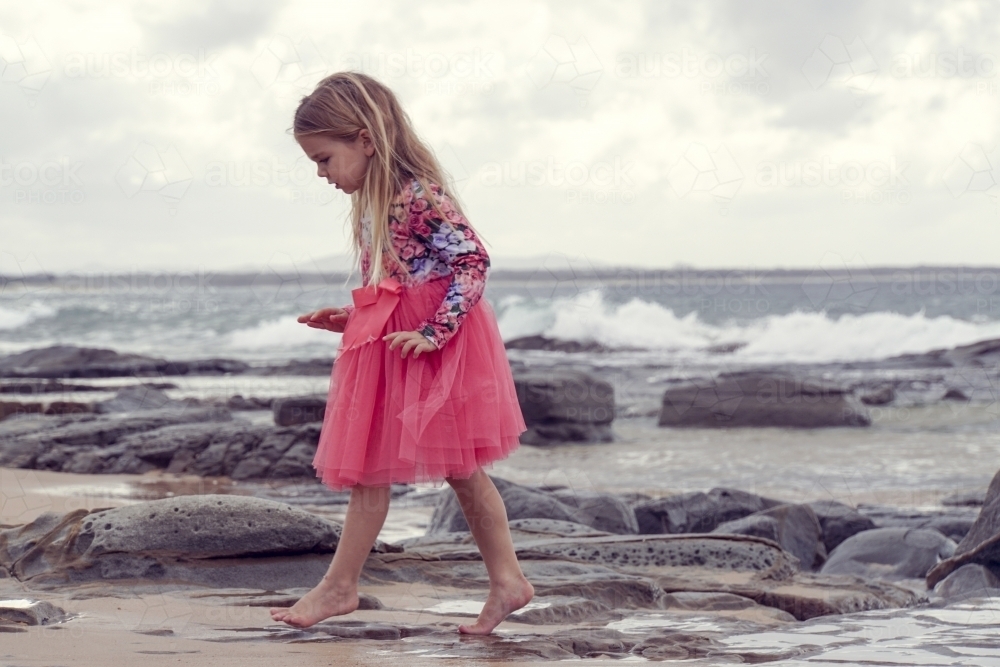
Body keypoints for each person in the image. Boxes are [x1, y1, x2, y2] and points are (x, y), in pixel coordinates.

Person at [268, 72, 534, 635]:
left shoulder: (418, 194)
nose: (320, 174)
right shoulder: (374, 202)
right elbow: (403, 279)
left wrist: (436, 331)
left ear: (365, 138)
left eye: (323, 158)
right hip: (393, 338)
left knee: (461, 470)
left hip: (434, 346)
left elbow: (472, 262)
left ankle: (502, 580)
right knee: (374, 467)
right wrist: (350, 319)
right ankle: (348, 585)